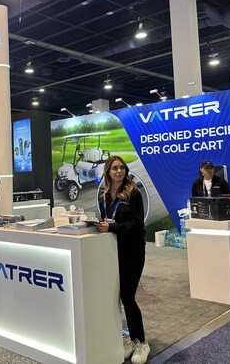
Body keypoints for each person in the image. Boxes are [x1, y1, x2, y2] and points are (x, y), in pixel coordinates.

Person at [97, 156, 150, 364]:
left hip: (133, 250)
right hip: (113, 251)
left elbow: (137, 225)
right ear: (108, 172)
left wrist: (112, 227)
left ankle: (142, 342)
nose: (119, 171)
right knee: (120, 297)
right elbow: (106, 220)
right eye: (115, 168)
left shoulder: (133, 193)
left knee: (128, 296)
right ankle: (132, 339)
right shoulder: (103, 195)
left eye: (122, 168)